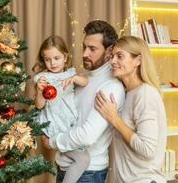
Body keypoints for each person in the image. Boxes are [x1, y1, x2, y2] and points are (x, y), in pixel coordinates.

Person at [43, 20, 125, 183]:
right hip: (64, 166)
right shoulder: (82, 77)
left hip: (88, 173)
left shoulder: (111, 87)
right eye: (84, 47)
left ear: (109, 51)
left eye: (92, 49)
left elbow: (87, 135)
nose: (85, 53)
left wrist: (52, 141)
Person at [94, 36, 167, 183]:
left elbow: (147, 149)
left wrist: (114, 119)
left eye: (120, 56)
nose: (113, 61)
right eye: (112, 56)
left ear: (138, 61)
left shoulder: (145, 94)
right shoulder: (127, 93)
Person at [33, 35, 90, 183]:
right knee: (83, 159)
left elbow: (85, 82)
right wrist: (40, 91)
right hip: (54, 123)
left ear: (65, 57)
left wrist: (75, 79)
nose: (52, 63)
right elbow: (39, 105)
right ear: (43, 59)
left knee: (72, 159)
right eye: (48, 59)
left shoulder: (71, 73)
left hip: (69, 122)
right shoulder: (42, 78)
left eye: (56, 58)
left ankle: (61, 156)